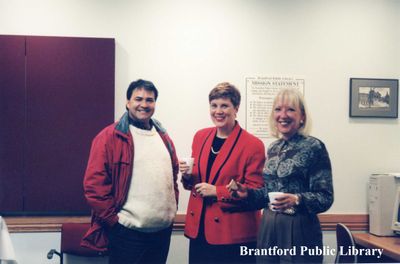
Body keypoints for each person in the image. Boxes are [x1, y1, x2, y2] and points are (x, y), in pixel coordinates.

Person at [228, 88, 334, 263]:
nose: (283, 115)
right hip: (268, 226)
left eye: (290, 109)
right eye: (278, 109)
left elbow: (325, 197)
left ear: (302, 117)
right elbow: (267, 194)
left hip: (300, 228)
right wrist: (247, 193)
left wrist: (297, 199)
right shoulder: (274, 148)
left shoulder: (314, 147)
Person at [81, 79, 179, 264]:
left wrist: (171, 212)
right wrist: (114, 222)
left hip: (162, 233)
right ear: (128, 102)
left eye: (149, 100)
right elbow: (94, 186)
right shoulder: (109, 137)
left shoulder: (163, 137)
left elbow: (172, 176)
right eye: (138, 99)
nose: (144, 104)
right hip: (127, 234)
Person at [179, 82, 265, 264]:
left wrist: (217, 191)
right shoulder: (200, 137)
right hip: (199, 231)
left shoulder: (253, 145)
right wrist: (187, 176)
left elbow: (256, 192)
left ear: (236, 108)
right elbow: (197, 182)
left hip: (233, 235)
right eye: (214, 105)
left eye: (224, 105)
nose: (218, 111)